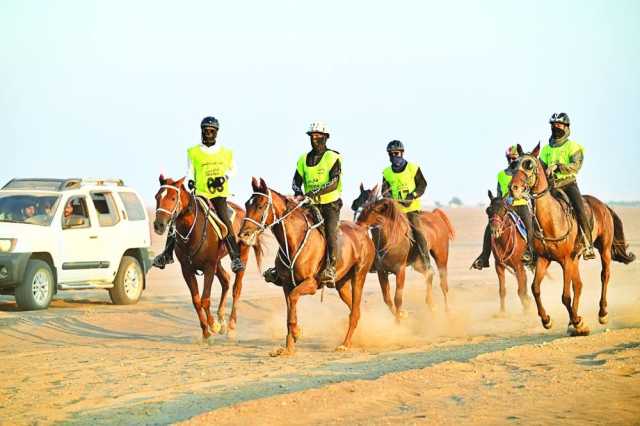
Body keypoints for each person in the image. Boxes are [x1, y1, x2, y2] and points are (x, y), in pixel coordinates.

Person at [153, 116, 245, 272]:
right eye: (205, 130)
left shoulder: (226, 152)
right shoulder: (193, 152)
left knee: (225, 219)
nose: (208, 133)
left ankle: (235, 258)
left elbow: (234, 169)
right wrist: (190, 182)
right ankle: (167, 254)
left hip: (218, 195)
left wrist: (223, 178)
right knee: (178, 217)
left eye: (211, 131)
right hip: (200, 194)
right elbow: (189, 172)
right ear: (201, 131)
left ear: (216, 132)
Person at [264, 121, 343, 285]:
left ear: (326, 137)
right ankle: (279, 268)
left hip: (330, 205)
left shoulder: (333, 157)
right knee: (291, 231)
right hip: (308, 204)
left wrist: (314, 192)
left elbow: (334, 182)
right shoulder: (302, 159)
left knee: (330, 232)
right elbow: (295, 182)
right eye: (312, 136)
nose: (315, 138)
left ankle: (331, 267)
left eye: (318, 136)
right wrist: (299, 194)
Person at [541, 112, 595, 260]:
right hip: (551, 187)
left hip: (568, 184)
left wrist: (558, 167)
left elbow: (575, 166)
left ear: (566, 127)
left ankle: (587, 243)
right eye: (553, 125)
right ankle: (532, 248)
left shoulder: (574, 147)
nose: (555, 127)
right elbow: (541, 167)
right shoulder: (546, 149)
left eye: (558, 125)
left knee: (580, 209)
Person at [471, 145, 534, 270]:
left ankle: (531, 253)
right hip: (504, 207)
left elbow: (529, 191)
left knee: (529, 226)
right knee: (489, 228)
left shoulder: (525, 174)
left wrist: (521, 195)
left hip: (520, 205)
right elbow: (499, 193)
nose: (512, 161)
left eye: (514, 158)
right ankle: (484, 257)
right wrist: (496, 203)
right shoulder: (501, 175)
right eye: (509, 158)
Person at [381, 140, 431, 269]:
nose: (394, 156)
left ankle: (426, 261)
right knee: (379, 228)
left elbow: (422, 185)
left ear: (402, 153)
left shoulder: (413, 168)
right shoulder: (386, 172)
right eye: (391, 154)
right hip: (395, 210)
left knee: (418, 231)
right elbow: (384, 190)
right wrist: (391, 199)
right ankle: (379, 260)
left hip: (411, 209)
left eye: (396, 153)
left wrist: (412, 196)